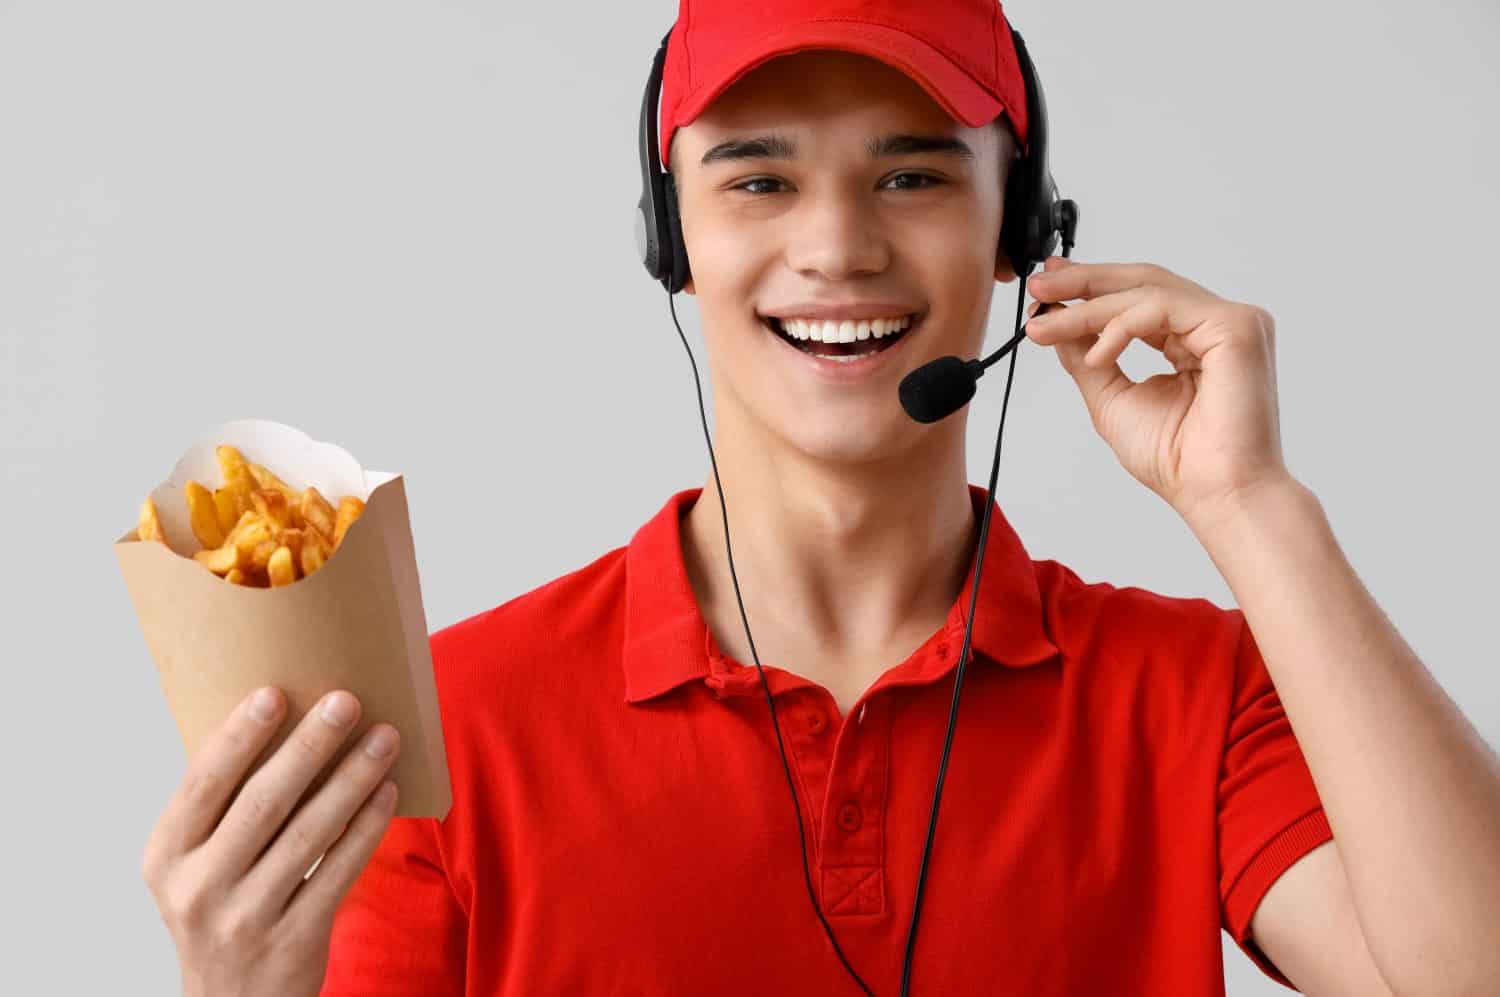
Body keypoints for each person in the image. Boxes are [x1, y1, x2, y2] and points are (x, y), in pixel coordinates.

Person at [139, 2, 1500, 995]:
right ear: (671, 238)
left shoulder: (1198, 693)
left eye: (912, 174)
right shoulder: (444, 732)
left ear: (1024, 231)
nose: (840, 244)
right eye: (760, 178)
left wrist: (1252, 502)